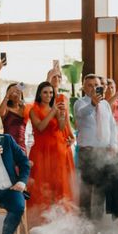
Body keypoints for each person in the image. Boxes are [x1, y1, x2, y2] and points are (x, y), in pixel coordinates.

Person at [27, 81, 76, 226]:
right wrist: (53, 111)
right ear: (39, 94)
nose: (48, 95)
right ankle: (41, 220)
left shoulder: (56, 108)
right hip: (41, 152)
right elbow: (40, 127)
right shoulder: (33, 109)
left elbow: (61, 128)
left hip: (58, 151)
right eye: (45, 92)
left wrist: (62, 115)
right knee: (41, 184)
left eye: (50, 93)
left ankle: (60, 219)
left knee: (58, 185)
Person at [74, 74, 118, 222]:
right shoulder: (80, 103)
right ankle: (84, 226)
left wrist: (113, 144)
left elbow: (112, 126)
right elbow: (82, 114)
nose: (93, 88)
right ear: (84, 87)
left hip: (103, 152)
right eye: (90, 85)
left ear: (101, 87)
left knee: (101, 190)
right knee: (86, 191)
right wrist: (92, 103)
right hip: (87, 152)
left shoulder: (105, 104)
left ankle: (97, 225)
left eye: (96, 85)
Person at [0, 83, 29, 154]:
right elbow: (0, 113)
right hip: (8, 146)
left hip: (21, 147)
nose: (16, 94)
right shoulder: (6, 109)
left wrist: (22, 101)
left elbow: (33, 114)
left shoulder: (24, 109)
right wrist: (7, 95)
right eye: (13, 92)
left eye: (18, 91)